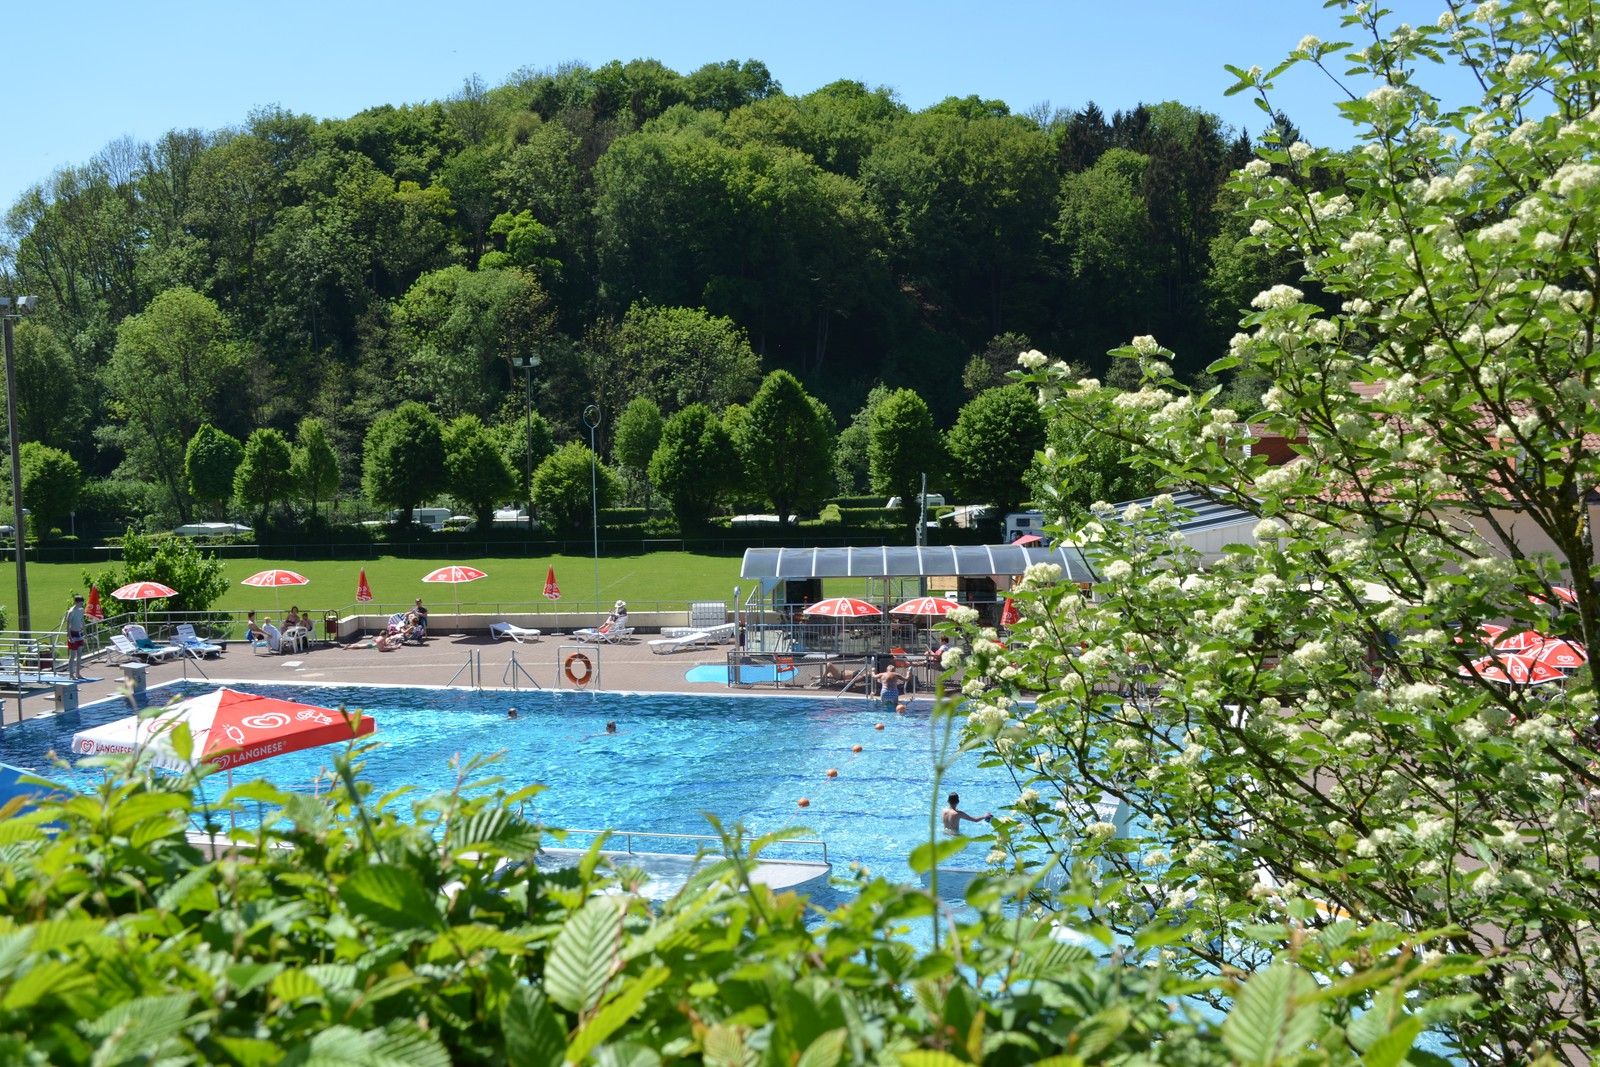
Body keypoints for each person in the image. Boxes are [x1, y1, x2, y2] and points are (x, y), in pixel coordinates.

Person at [62, 594, 86, 680]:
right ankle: (71, 674)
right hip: (73, 634)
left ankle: (78, 673)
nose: (81, 604)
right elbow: (68, 625)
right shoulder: (71, 611)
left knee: (79, 654)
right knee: (72, 655)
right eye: (80, 603)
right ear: (76, 602)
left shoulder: (81, 610)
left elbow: (82, 621)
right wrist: (69, 636)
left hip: (79, 633)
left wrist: (85, 634)